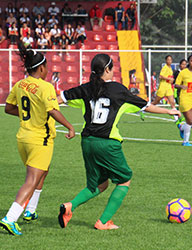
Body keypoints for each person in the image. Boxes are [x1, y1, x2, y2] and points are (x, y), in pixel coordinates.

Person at [56, 54, 180, 230]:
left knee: (99, 184)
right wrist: (168, 112)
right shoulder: (117, 90)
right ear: (107, 70)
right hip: (107, 143)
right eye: (112, 68)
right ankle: (103, 221)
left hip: (87, 142)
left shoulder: (86, 88)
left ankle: (69, 207)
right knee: (124, 179)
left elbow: (58, 99)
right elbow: (145, 106)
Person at [0, 41, 74, 236]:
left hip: (23, 138)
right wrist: (69, 126)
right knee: (31, 179)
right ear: (42, 68)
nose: (47, 70)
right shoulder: (45, 87)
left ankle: (30, 211)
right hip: (40, 139)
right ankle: (10, 218)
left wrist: (29, 115)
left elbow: (8, 108)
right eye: (47, 67)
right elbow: (52, 110)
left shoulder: (20, 84)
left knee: (42, 172)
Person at [174, 55, 192, 146]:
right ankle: (185, 141)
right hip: (184, 98)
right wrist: (181, 86)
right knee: (189, 121)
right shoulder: (183, 73)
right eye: (191, 61)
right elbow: (176, 84)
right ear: (188, 62)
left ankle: (182, 127)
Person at [152, 55, 179, 121]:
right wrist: (169, 78)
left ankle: (176, 117)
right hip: (163, 87)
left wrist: (171, 80)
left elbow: (169, 77)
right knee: (156, 102)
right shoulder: (165, 67)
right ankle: (144, 109)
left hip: (168, 87)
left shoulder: (170, 68)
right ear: (166, 60)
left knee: (172, 102)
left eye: (170, 60)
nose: (169, 61)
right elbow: (161, 76)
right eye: (168, 60)